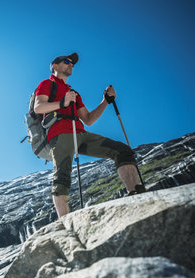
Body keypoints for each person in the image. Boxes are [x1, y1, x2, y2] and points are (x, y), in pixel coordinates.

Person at [34, 52, 146, 218]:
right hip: (60, 134)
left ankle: (135, 194)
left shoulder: (74, 93)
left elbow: (88, 119)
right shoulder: (48, 84)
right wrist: (62, 103)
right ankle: (64, 221)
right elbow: (38, 107)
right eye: (67, 61)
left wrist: (105, 102)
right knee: (63, 173)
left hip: (80, 133)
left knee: (121, 150)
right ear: (55, 66)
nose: (71, 64)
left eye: (73, 63)